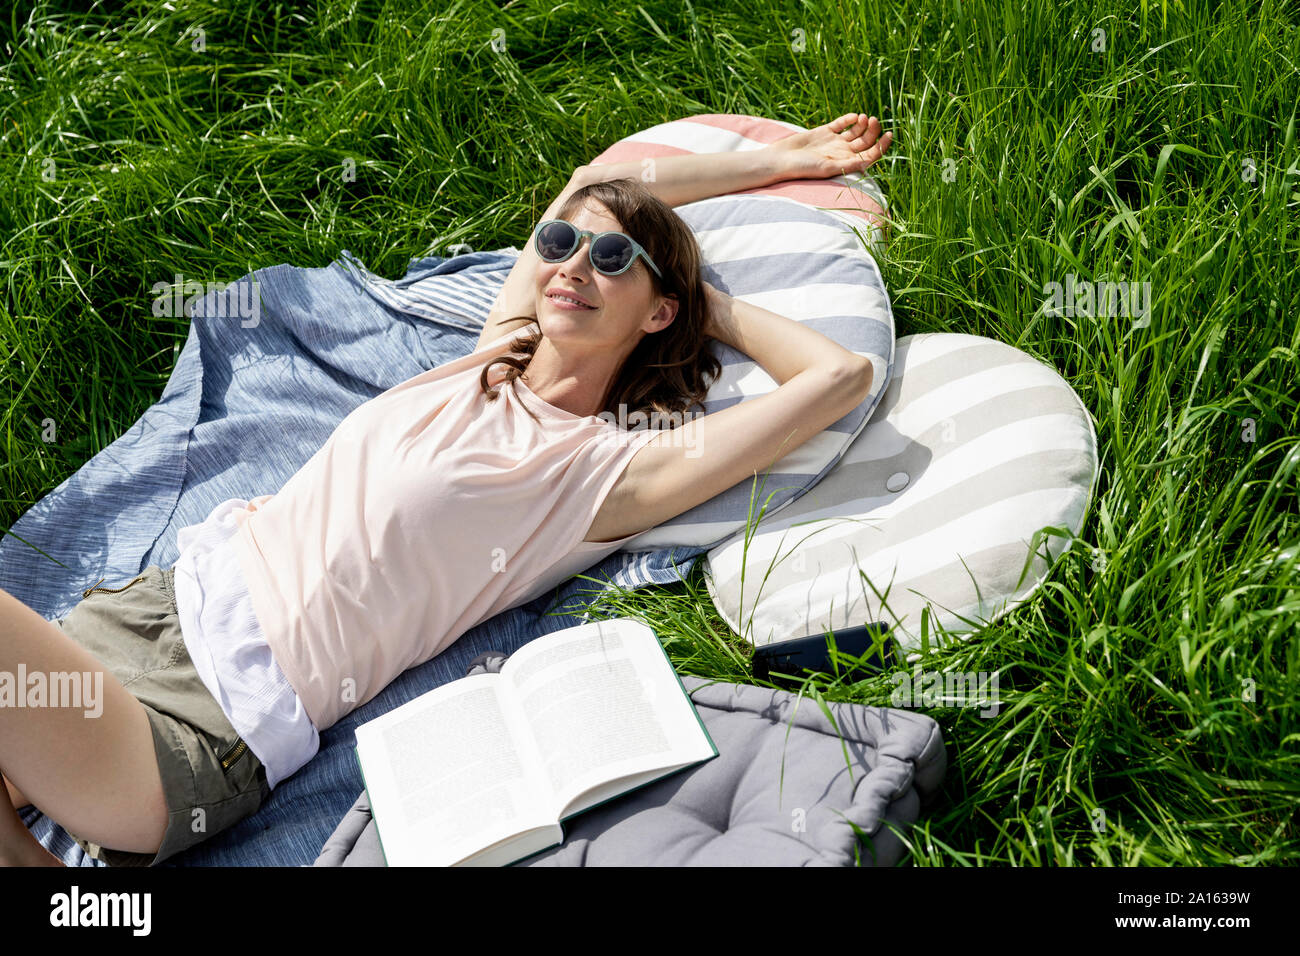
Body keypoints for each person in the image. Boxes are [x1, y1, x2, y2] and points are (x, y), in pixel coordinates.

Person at [0, 112, 893, 866]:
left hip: (203, 728)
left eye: (615, 259)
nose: (575, 265)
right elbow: (597, 176)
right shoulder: (490, 353)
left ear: (658, 311)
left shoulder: (603, 472)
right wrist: (783, 160)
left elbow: (837, 376)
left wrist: (703, 296)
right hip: (137, 618)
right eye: (560, 247)